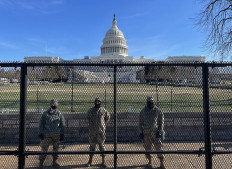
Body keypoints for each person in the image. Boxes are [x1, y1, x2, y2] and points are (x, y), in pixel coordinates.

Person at [139, 96, 165, 169]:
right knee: (147, 147)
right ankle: (149, 162)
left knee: (159, 147)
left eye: (151, 101)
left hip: (155, 132)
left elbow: (161, 121)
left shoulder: (157, 110)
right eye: (148, 101)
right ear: (146, 102)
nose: (150, 103)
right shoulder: (143, 111)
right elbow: (140, 122)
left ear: (153, 101)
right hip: (146, 132)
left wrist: (160, 130)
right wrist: (141, 132)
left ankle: (161, 163)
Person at [38, 99, 65, 168]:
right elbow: (41, 124)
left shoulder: (59, 113)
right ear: (50, 105)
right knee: (44, 149)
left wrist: (62, 133)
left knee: (56, 149)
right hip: (47, 134)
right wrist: (40, 132)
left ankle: (54, 162)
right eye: (52, 105)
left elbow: (62, 124)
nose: (54, 106)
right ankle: (41, 163)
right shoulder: (45, 114)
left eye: (55, 105)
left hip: (56, 134)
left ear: (57, 105)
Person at [86, 98, 110, 168]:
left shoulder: (103, 110)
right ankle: (90, 161)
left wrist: (103, 124)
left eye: (99, 102)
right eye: (96, 102)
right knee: (92, 146)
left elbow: (107, 117)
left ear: (100, 103)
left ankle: (103, 161)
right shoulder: (90, 111)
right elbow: (88, 118)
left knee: (102, 146)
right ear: (94, 102)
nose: (97, 103)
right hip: (92, 131)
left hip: (101, 132)